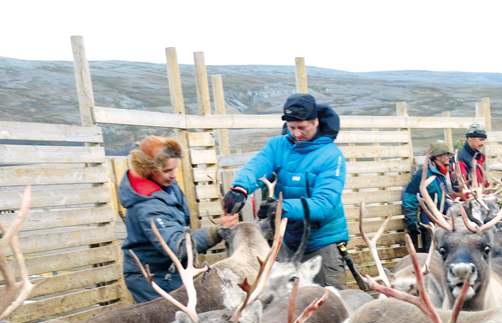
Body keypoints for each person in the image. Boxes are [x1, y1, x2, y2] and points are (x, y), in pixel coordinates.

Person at [222, 94, 348, 287]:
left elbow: (323, 204)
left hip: (321, 244)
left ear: (315, 121)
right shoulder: (278, 145)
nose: (296, 134)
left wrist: (279, 208)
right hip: (287, 243)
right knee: (284, 305)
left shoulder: (331, 156)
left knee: (325, 304)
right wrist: (240, 188)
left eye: (302, 128)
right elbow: (257, 165)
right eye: (291, 127)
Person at [120, 136, 233, 303]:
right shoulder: (148, 206)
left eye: (174, 168)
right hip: (152, 276)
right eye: (167, 170)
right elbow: (177, 246)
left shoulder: (166, 185)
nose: (173, 175)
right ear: (149, 169)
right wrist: (216, 232)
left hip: (168, 269)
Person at [402, 140, 452, 252]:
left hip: (446, 222)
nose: (450, 157)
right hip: (430, 223)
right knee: (432, 254)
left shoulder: (444, 173)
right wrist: (412, 219)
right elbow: (409, 195)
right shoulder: (423, 174)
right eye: (447, 154)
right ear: (438, 157)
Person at [456, 123, 487, 188]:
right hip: (472, 197)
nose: (483, 143)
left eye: (484, 140)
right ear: (470, 138)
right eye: (480, 140)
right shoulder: (460, 158)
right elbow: (461, 186)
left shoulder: (477, 157)